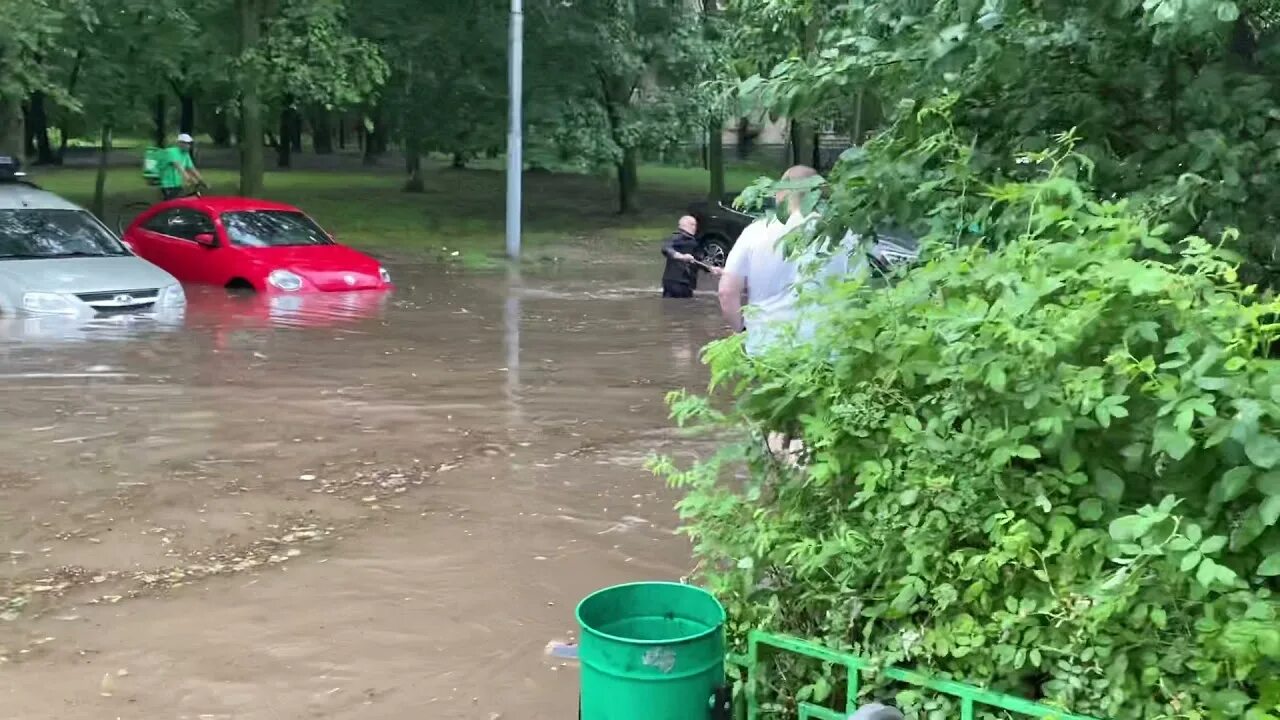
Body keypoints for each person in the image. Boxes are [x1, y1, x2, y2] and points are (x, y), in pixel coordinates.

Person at [660, 215, 719, 298]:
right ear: (683, 225)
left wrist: (711, 268)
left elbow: (699, 260)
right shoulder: (675, 237)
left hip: (687, 283)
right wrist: (681, 256)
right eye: (692, 224)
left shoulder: (693, 242)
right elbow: (666, 249)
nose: (694, 227)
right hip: (674, 281)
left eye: (695, 225)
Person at [159, 133, 204, 200]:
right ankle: (157, 210)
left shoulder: (186, 154)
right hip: (167, 184)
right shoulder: (171, 152)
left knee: (178, 204)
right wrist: (191, 179)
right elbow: (179, 168)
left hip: (177, 184)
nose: (188, 146)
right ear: (180, 143)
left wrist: (202, 181)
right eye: (186, 143)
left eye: (189, 143)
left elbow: (192, 169)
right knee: (171, 204)